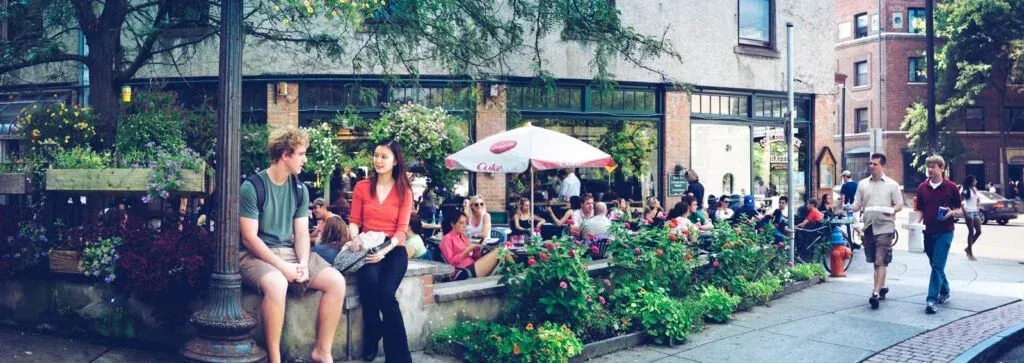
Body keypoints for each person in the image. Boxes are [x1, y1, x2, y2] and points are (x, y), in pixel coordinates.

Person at [238, 127, 346, 363]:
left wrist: (304, 264)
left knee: (336, 282)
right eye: (301, 153)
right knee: (277, 284)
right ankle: (275, 358)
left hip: (288, 251)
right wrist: (283, 267)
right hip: (254, 255)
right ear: (285, 154)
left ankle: (322, 352)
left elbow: (301, 234)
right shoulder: (252, 187)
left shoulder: (299, 189)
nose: (305, 159)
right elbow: (249, 238)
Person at [344, 140, 414, 362]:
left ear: (395, 161)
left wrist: (385, 250)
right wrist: (355, 238)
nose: (378, 160)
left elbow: (402, 231)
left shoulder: (404, 191)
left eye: (384, 157)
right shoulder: (362, 187)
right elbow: (354, 221)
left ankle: (399, 358)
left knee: (386, 296)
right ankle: (372, 334)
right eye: (376, 155)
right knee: (369, 285)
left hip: (393, 249)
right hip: (367, 246)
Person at [852, 153, 904, 310]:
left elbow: (899, 204)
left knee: (880, 260)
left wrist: (892, 210)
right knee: (875, 260)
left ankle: (875, 293)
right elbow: (857, 204)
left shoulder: (892, 185)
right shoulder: (862, 184)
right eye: (870, 163)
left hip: (885, 227)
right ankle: (882, 287)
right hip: (868, 226)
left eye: (875, 164)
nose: (871, 166)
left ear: (882, 165)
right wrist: (847, 207)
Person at [914, 155, 961, 314]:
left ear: (941, 168)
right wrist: (915, 224)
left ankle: (931, 300)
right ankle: (945, 290)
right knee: (936, 264)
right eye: (928, 166)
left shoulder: (951, 187)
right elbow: (920, 209)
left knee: (937, 264)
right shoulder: (922, 187)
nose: (930, 169)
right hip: (928, 231)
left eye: (933, 166)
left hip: (945, 231)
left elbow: (960, 209)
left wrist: (951, 212)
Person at [440, 213, 502, 280]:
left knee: (501, 253)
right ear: (452, 224)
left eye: (466, 223)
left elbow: (473, 257)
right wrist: (467, 251)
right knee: (498, 252)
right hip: (462, 271)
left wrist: (476, 250)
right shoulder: (447, 238)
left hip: (472, 265)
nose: (464, 226)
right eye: (461, 223)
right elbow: (451, 263)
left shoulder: (463, 236)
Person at [961, 175, 982, 261]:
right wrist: (965, 213)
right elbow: (960, 202)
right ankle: (970, 252)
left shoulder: (975, 189)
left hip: (975, 212)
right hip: (968, 212)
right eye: (974, 180)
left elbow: (978, 200)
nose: (975, 182)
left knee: (979, 231)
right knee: (971, 231)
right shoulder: (965, 190)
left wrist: (978, 207)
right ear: (970, 181)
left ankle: (968, 248)